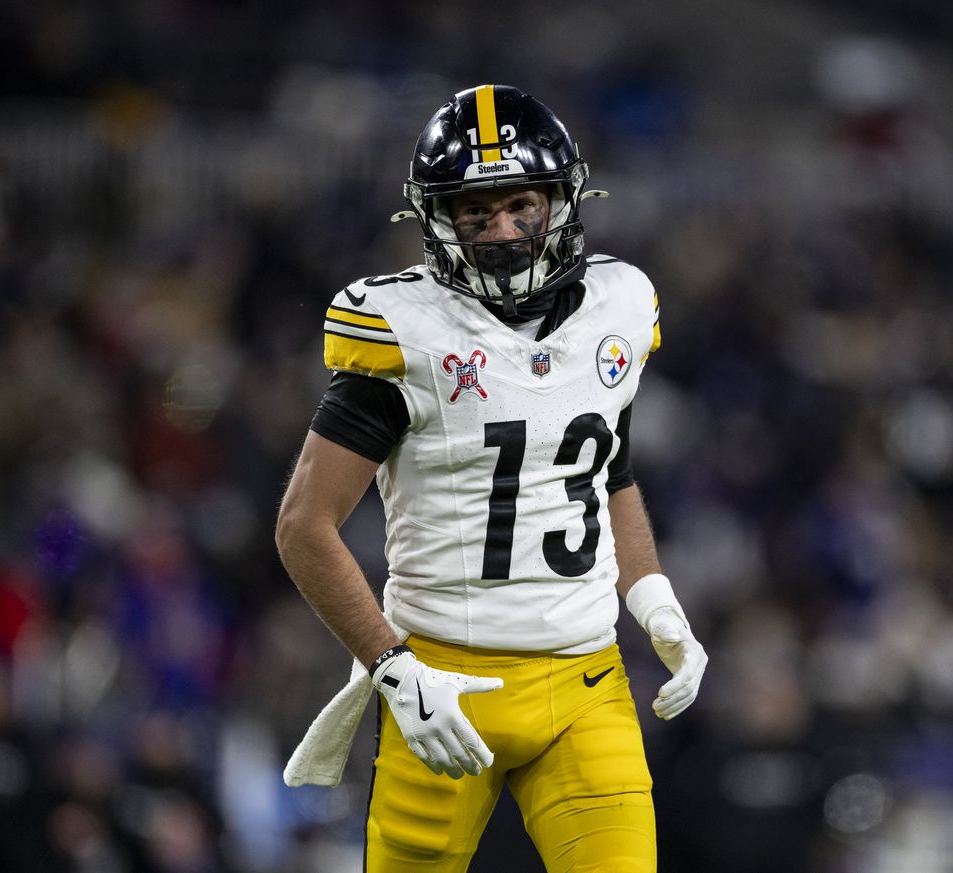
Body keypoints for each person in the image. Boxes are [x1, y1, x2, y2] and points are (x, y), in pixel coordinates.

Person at [275, 83, 707, 873]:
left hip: (586, 683)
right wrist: (392, 667)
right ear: (438, 222)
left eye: (520, 206)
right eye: (476, 213)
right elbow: (303, 525)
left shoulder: (617, 305)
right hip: (439, 686)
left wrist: (651, 595)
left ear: (562, 201)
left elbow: (608, 464)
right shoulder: (405, 334)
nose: (502, 231)